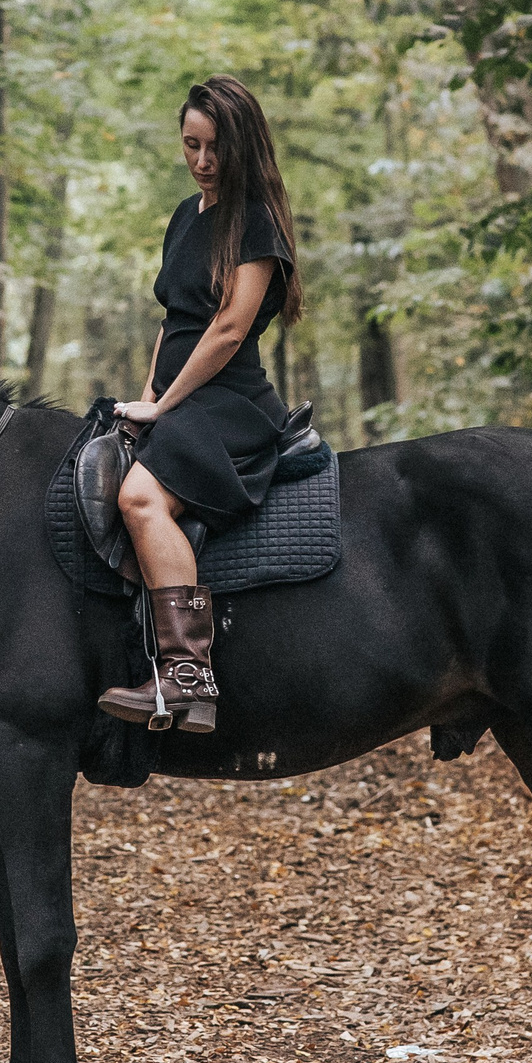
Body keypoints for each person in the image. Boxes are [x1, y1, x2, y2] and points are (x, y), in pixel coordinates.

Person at [97, 74, 305, 734]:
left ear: (242, 147)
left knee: (139, 497)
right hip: (183, 397)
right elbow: (175, 319)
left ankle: (188, 677)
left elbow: (226, 329)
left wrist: (169, 406)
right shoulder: (187, 215)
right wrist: (149, 393)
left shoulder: (257, 224)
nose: (203, 161)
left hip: (231, 403)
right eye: (191, 144)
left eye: (215, 147)